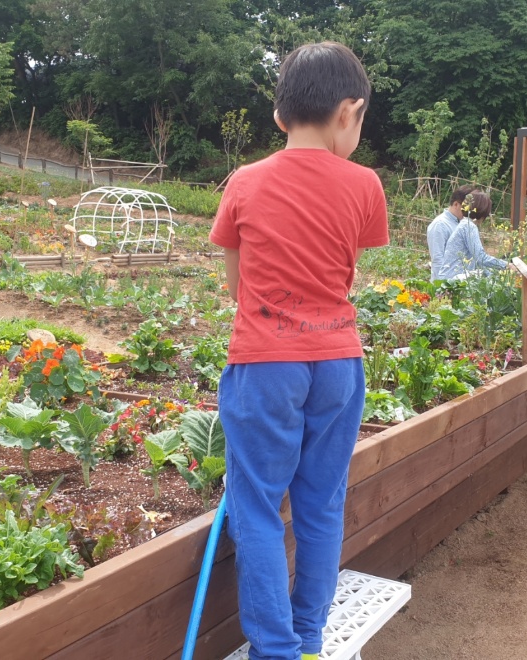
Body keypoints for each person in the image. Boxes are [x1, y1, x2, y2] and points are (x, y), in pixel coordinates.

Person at [209, 41, 388, 660]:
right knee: (320, 503)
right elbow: (344, 277)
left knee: (255, 508)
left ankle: (275, 652)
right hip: (338, 362)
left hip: (263, 364)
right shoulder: (365, 185)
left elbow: (236, 287)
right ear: (350, 110)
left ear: (280, 117)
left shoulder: (245, 182)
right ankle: (311, 640)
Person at [437, 190, 509, 280]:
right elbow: (481, 258)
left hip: (449, 278)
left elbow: (476, 261)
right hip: (452, 281)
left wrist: (491, 274)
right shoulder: (469, 226)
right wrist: (507, 265)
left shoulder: (464, 224)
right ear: (482, 213)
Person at [427, 184, 474, 280]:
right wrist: (443, 288)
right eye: (466, 208)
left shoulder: (464, 223)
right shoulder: (440, 225)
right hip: (448, 287)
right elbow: (438, 260)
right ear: (456, 204)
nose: (469, 211)